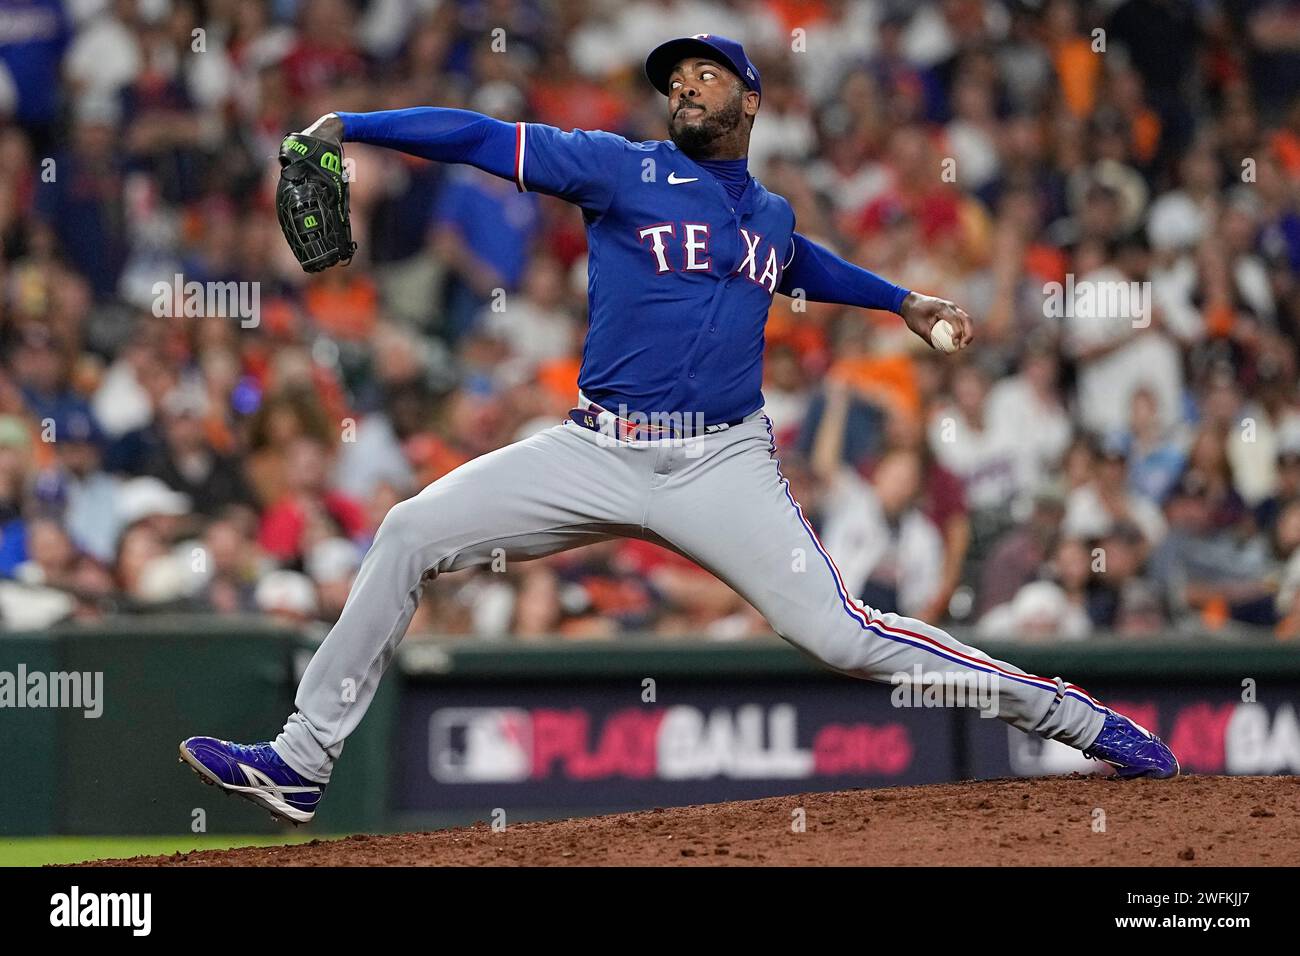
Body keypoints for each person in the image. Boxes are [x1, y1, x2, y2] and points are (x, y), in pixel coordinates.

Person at [179, 35, 1177, 824]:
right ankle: (303, 760)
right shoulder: (618, 169)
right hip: (592, 447)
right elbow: (480, 134)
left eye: (708, 74)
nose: (686, 87)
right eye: (676, 78)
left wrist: (900, 298)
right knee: (407, 530)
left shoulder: (771, 215)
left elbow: (800, 262)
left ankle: (1070, 714)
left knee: (840, 634)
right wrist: (351, 121)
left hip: (720, 461)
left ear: (751, 101)